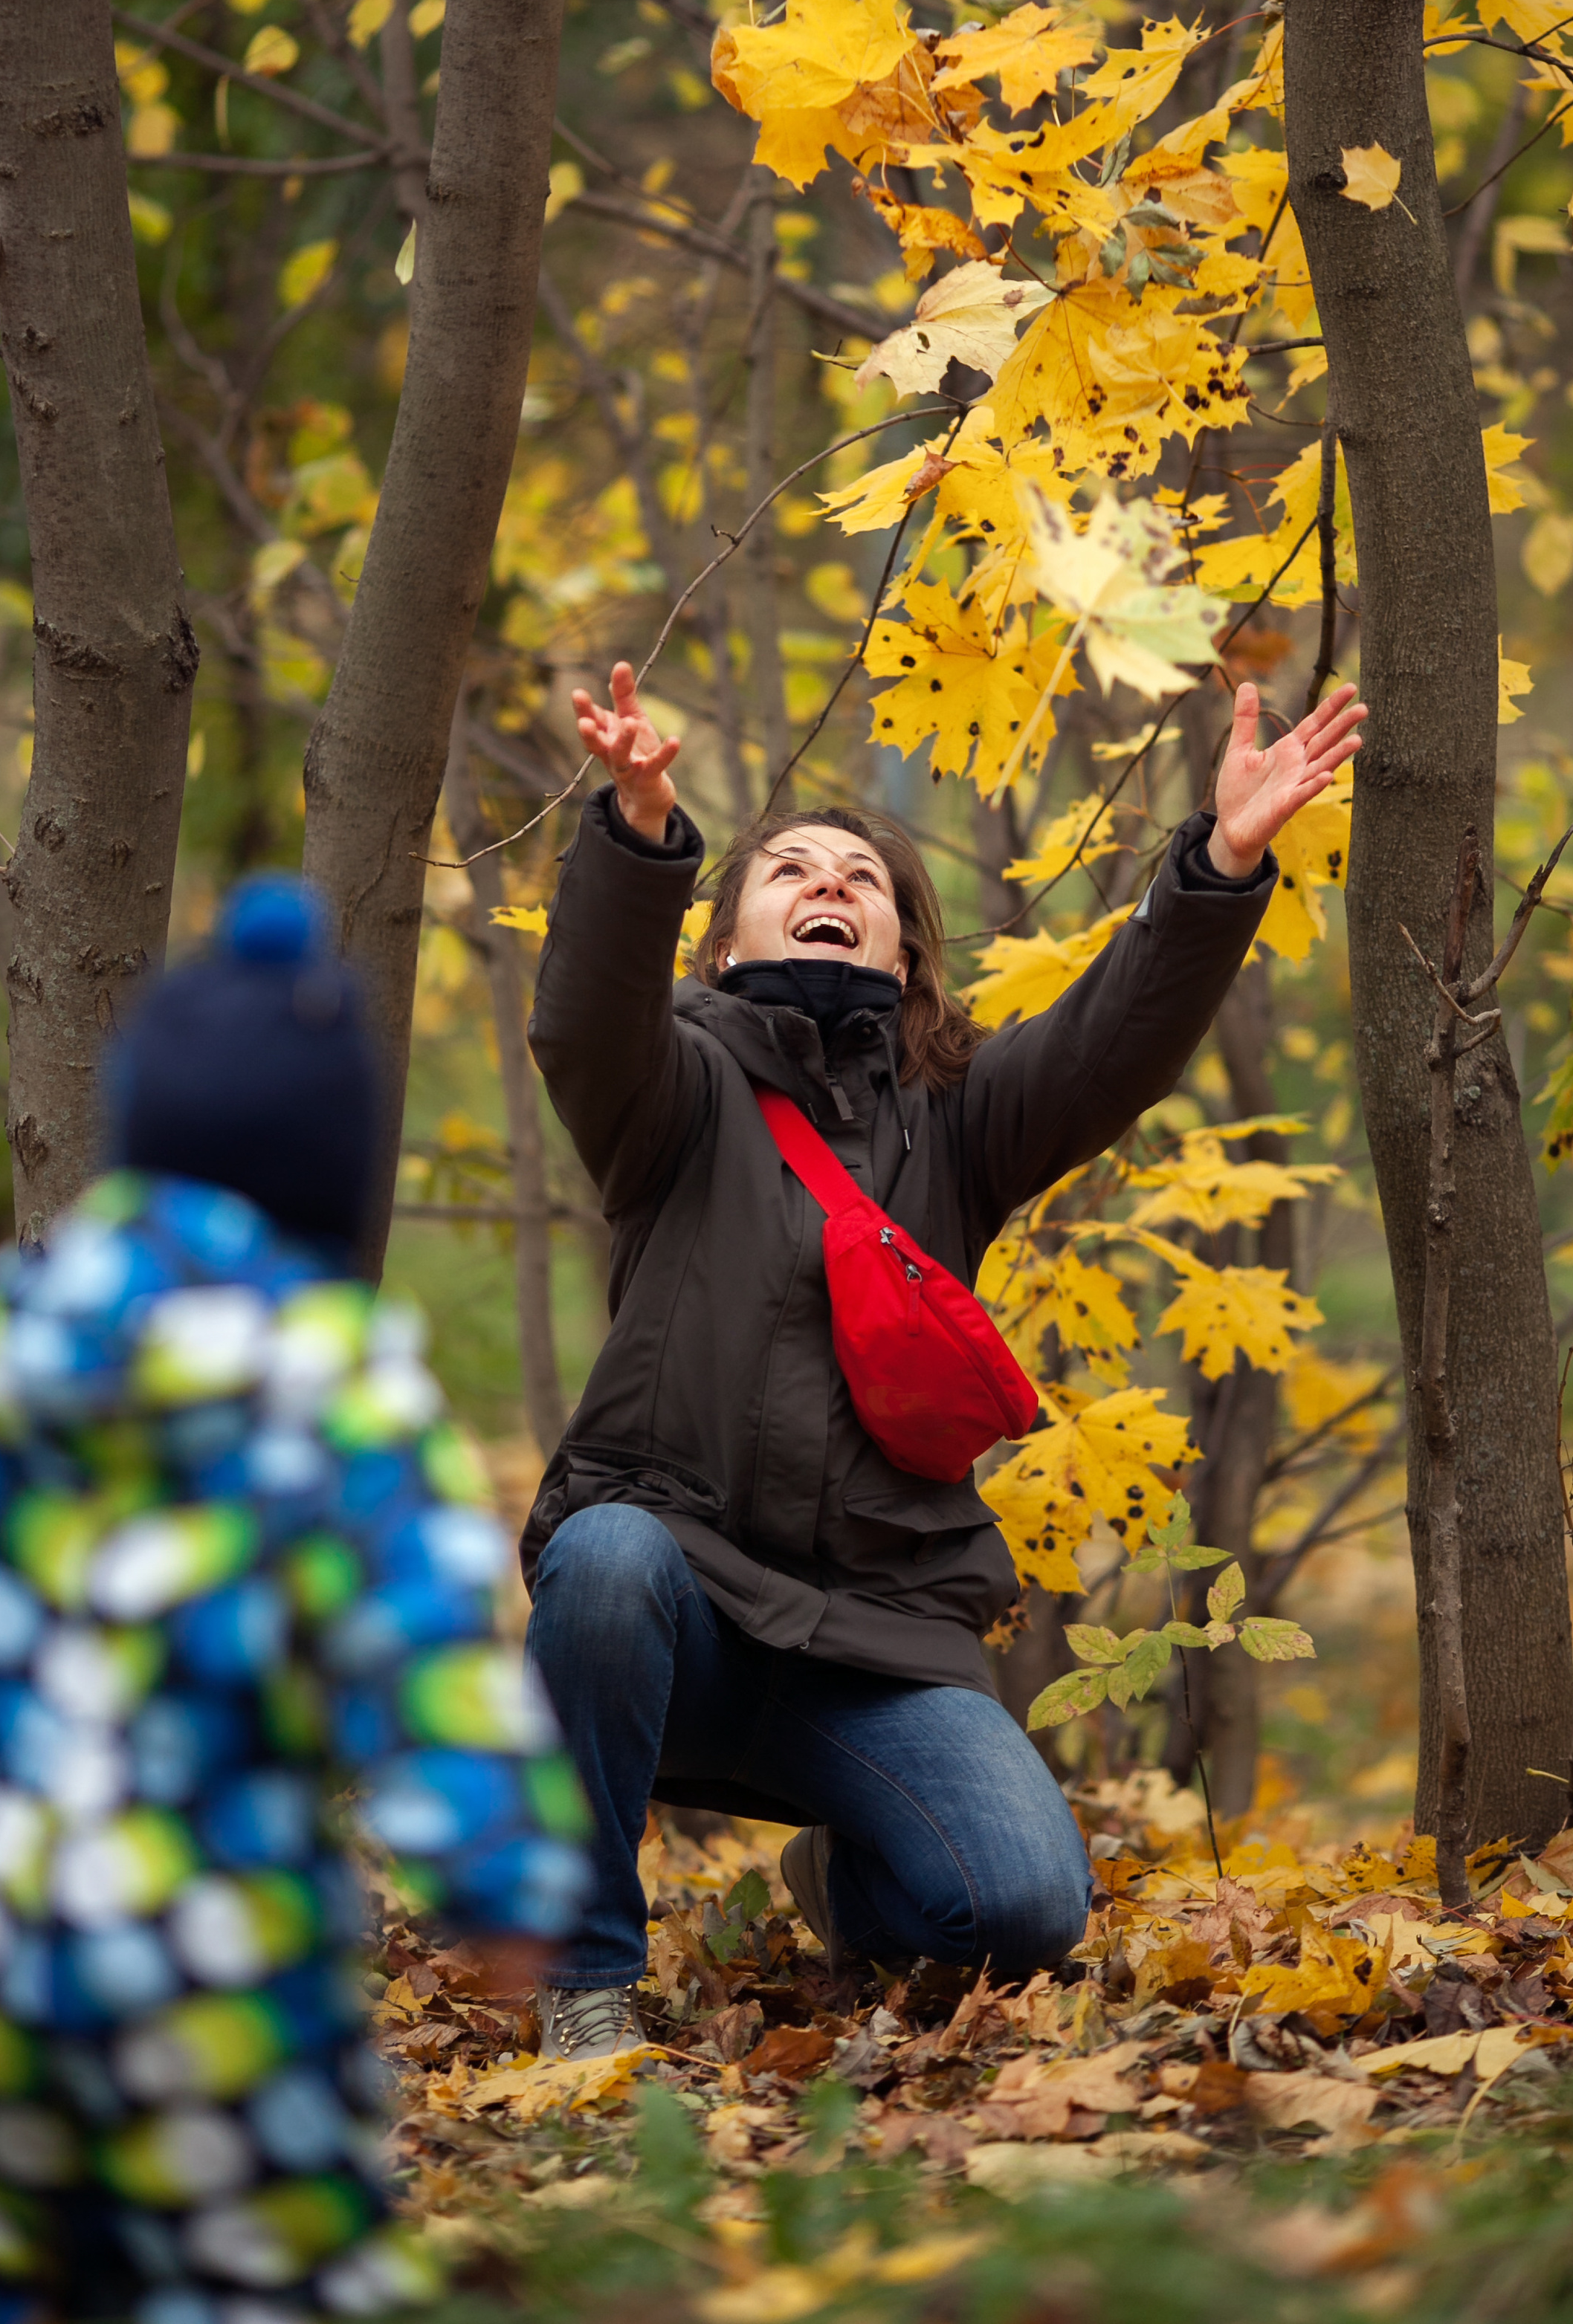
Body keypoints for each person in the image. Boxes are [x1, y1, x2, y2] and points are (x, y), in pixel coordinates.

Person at [521, 660, 1366, 2057]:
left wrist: (1219, 863)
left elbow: (1110, 1045)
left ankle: (847, 1869)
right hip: (678, 1619)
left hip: (877, 1644)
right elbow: (582, 1022)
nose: (829, 883)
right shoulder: (672, 1090)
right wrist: (642, 832)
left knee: (1023, 1909)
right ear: (724, 941)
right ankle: (587, 1983)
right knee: (605, 1559)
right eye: (789, 867)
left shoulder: (956, 1118)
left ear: (906, 951)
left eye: (863, 877)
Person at [0, 879, 590, 2324]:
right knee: (265, 2257)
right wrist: (499, 1881)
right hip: (212, 1982)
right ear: (327, 1181)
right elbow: (429, 1660)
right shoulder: (335, 1407)